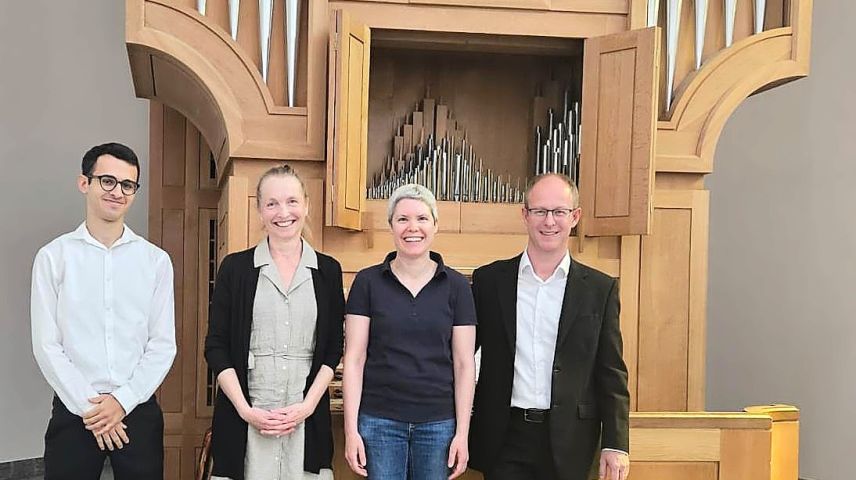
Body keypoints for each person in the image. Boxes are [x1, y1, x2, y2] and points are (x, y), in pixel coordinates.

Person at [468, 174, 631, 480]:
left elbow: (611, 372)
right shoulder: (489, 281)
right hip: (505, 437)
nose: (549, 221)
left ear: (575, 217)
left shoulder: (600, 289)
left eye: (559, 212)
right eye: (540, 211)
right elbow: (462, 358)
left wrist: (616, 443)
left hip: (572, 440)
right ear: (525, 215)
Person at [31, 142, 177, 480]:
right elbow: (46, 345)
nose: (118, 192)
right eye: (107, 181)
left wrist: (122, 402)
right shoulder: (54, 257)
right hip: (74, 410)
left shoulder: (155, 261)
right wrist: (92, 409)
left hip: (136, 410)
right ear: (85, 183)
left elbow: (162, 344)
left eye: (128, 185)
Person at [205, 164, 344, 480]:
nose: (284, 212)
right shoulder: (235, 269)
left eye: (292, 201)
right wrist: (244, 410)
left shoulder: (328, 272)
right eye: (272, 203)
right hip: (247, 416)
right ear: (259, 210)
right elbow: (216, 346)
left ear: (306, 205)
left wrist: (307, 407)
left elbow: (333, 347)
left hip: (305, 419)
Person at [343, 183, 476, 480]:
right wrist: (351, 430)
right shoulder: (366, 283)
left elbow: (464, 363)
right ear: (390, 225)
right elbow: (354, 358)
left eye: (422, 218)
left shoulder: (457, 287)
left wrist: (462, 433)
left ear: (435, 225)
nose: (412, 227)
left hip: (439, 423)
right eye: (402, 219)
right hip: (379, 421)